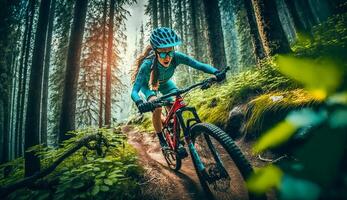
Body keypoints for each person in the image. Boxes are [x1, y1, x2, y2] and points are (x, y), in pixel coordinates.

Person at [131, 27, 226, 149]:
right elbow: (134, 91)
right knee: (157, 107)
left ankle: (173, 130)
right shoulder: (147, 64)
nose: (168, 57)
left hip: (165, 83)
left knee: (178, 103)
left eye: (170, 52)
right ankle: (162, 140)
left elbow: (198, 65)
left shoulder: (176, 57)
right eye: (163, 53)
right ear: (155, 51)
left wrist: (216, 72)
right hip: (149, 85)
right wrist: (140, 102)